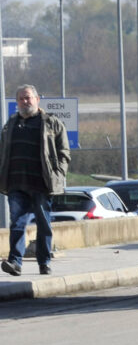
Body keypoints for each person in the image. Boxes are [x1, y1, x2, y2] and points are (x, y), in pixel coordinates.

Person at [1, 85, 70, 277]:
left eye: (28, 98)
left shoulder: (51, 123)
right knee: (16, 223)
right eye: (21, 99)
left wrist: (58, 173)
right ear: (17, 102)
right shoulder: (10, 125)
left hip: (42, 184)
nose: (25, 102)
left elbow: (64, 153)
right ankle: (15, 262)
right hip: (16, 184)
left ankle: (44, 262)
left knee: (43, 224)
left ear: (37, 99)